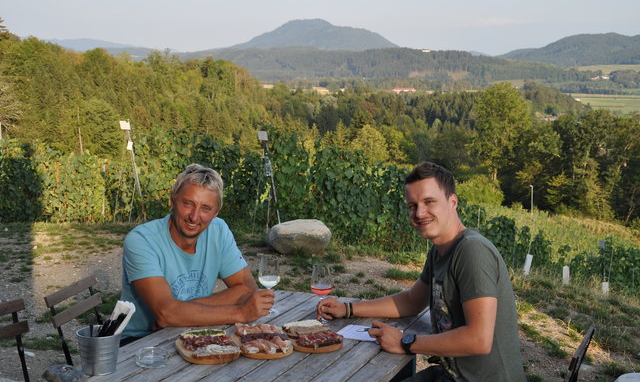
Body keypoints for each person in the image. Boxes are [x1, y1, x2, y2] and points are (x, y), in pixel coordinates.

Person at [317, 162, 526, 382]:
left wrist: (406, 342)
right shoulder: (439, 252)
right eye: (412, 205)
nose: (419, 213)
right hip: (449, 374)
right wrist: (347, 308)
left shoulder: (472, 250)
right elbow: (411, 301)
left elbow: (479, 339)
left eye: (429, 202)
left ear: (452, 202)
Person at [120, 163, 274, 344]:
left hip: (194, 331)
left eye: (205, 208)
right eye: (188, 203)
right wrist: (241, 312)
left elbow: (247, 288)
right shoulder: (141, 240)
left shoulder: (219, 230)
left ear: (216, 212)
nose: (194, 216)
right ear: (172, 200)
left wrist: (180, 314)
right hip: (140, 341)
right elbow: (165, 313)